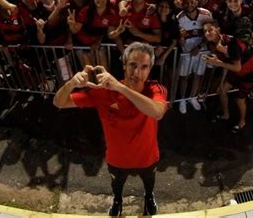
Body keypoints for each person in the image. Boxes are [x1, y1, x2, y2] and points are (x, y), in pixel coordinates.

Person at [53, 42, 168, 216]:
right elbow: (59, 102)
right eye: (132, 65)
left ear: (150, 69)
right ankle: (117, 201)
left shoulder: (154, 89)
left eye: (144, 67)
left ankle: (149, 197)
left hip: (147, 156)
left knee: (149, 181)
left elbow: (157, 112)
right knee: (117, 184)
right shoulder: (103, 92)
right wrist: (70, 84)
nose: (137, 72)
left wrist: (120, 87)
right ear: (124, 65)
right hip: (117, 158)